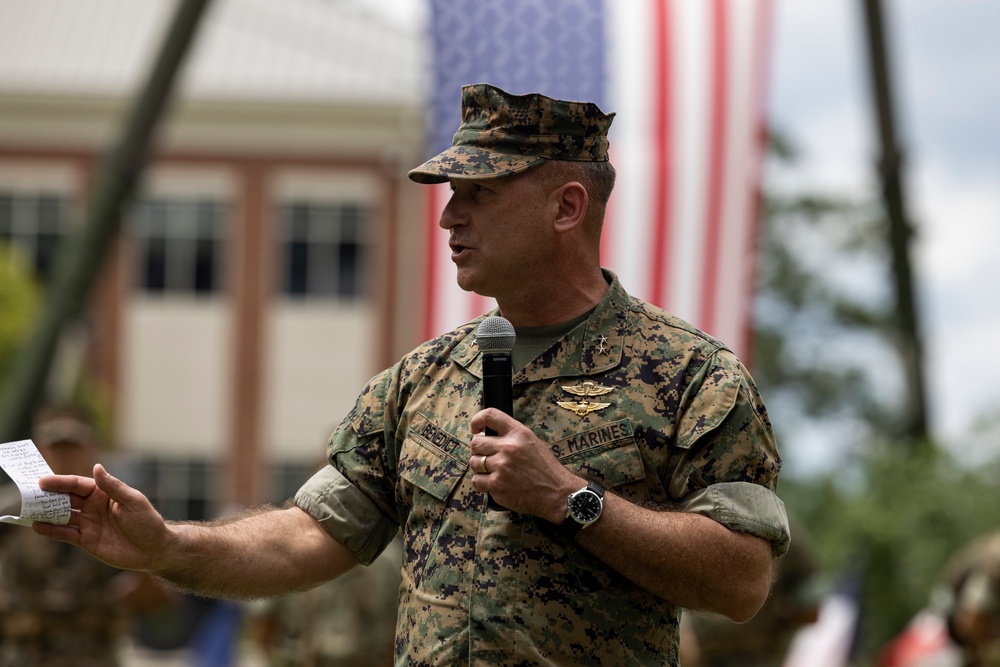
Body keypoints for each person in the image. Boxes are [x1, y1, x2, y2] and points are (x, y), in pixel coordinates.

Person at [34, 83, 790, 666]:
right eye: (450, 195)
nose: (449, 218)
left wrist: (571, 498)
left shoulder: (690, 376)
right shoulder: (420, 380)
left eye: (480, 194)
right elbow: (305, 537)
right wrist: (167, 544)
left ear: (567, 206)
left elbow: (742, 579)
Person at [0, 405, 173, 667]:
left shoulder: (117, 512)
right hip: (29, 654)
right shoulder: (10, 513)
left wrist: (134, 585)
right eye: (57, 447)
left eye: (73, 447)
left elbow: (160, 596)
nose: (65, 456)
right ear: (41, 450)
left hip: (94, 654)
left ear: (92, 449)